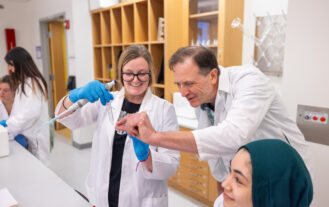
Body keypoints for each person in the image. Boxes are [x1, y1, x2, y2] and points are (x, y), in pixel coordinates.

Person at [115, 46, 311, 194]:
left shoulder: (250, 81)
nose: (183, 92)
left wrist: (156, 137)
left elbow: (233, 135)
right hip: (244, 179)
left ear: (213, 75)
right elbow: (217, 152)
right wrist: (222, 183)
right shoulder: (203, 98)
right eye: (179, 84)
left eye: (189, 83)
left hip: (284, 176)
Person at [55, 44, 180, 207]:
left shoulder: (164, 109)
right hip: (103, 197)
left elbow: (171, 164)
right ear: (120, 74)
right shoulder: (107, 101)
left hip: (141, 200)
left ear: (150, 74)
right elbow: (66, 119)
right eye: (129, 73)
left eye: (142, 73)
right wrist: (76, 95)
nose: (135, 80)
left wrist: (146, 156)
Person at [214, 139, 313, 207]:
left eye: (238, 180)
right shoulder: (222, 202)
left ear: (272, 198)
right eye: (230, 171)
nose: (224, 184)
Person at [1, 47, 50, 164]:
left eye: (11, 65)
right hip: (27, 136)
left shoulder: (33, 83)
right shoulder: (25, 83)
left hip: (35, 139)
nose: (10, 69)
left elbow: (31, 113)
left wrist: (7, 124)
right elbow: (20, 112)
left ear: (20, 64)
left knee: (38, 171)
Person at [0, 75, 28, 147]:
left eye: (6, 90)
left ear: (14, 90)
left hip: (20, 141)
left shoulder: (22, 104)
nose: (1, 93)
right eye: (0, 89)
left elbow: (26, 124)